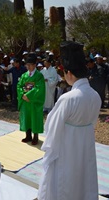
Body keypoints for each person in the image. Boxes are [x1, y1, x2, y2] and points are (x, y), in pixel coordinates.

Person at [38, 41, 101, 200]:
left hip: (67, 148)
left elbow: (51, 128)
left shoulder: (68, 98)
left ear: (69, 73)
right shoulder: (95, 96)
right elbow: (92, 122)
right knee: (83, 178)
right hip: (85, 143)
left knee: (65, 182)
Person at [17, 53, 45, 145]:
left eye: (29, 65)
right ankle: (28, 136)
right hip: (25, 101)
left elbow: (39, 88)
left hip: (33, 101)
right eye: (27, 65)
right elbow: (19, 86)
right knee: (27, 118)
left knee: (35, 118)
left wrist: (28, 96)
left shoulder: (39, 76)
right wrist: (23, 95)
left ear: (34, 65)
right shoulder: (24, 75)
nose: (28, 67)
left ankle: (35, 137)